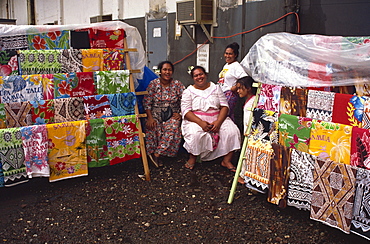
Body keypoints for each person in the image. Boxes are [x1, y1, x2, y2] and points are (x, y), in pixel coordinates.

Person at [181, 66, 241, 170]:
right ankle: (193, 157)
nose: (199, 77)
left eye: (201, 74)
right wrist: (201, 123)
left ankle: (226, 160)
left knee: (232, 131)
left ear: (206, 75)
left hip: (217, 118)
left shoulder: (216, 88)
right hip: (196, 120)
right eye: (196, 75)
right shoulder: (188, 91)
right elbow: (186, 111)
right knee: (195, 134)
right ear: (192, 78)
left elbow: (224, 106)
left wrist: (218, 122)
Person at [143, 61, 185, 167]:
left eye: (169, 70)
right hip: (155, 114)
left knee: (173, 126)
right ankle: (151, 154)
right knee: (151, 126)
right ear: (160, 71)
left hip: (172, 113)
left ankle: (158, 154)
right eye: (165, 69)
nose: (167, 72)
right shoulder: (153, 84)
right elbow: (147, 102)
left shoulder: (177, 84)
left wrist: (180, 113)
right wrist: (150, 118)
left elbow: (185, 101)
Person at [218, 42, 248, 121]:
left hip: (230, 95)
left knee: (225, 116)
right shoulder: (226, 65)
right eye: (226, 53)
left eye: (230, 54)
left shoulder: (236, 66)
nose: (227, 56)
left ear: (235, 55)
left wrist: (234, 88)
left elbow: (244, 78)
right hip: (222, 93)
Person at [235, 76, 258, 184]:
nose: (238, 91)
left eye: (240, 88)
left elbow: (249, 120)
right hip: (249, 132)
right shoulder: (249, 101)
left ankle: (243, 175)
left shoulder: (251, 103)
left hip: (250, 133)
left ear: (248, 88)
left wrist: (247, 132)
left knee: (247, 154)